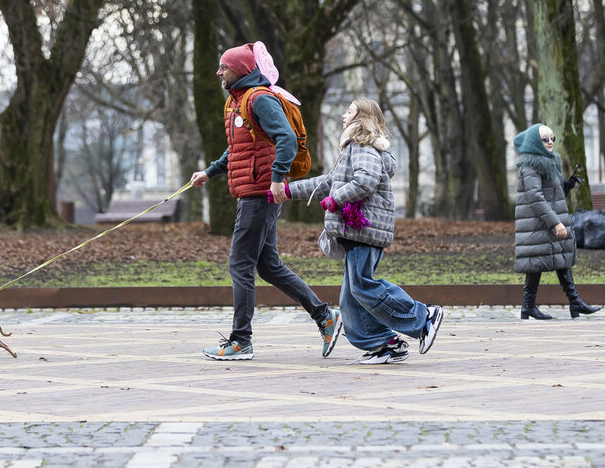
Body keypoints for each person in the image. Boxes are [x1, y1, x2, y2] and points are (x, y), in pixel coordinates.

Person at [190, 42, 342, 361]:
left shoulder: (259, 99)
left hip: (261, 192)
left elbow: (285, 137)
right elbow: (237, 149)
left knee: (240, 263)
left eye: (224, 67)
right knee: (268, 266)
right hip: (254, 190)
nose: (219, 72)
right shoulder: (236, 103)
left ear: (241, 70)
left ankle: (240, 340)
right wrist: (209, 172)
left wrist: (276, 178)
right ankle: (324, 316)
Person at [278, 98, 443, 364]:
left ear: (362, 118)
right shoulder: (354, 148)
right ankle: (384, 344)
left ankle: (423, 317)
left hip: (364, 231)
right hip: (358, 232)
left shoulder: (361, 145)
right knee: (351, 298)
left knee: (363, 286)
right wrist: (288, 191)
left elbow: (365, 180)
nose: (344, 115)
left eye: (350, 111)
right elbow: (327, 182)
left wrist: (337, 199)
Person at [513, 123, 600, 319]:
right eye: (545, 139)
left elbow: (552, 194)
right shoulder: (530, 164)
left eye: (552, 138)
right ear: (536, 141)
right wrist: (555, 222)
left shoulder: (551, 161)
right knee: (536, 262)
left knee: (560, 259)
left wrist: (566, 187)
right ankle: (530, 306)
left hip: (548, 219)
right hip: (538, 223)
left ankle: (574, 303)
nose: (550, 142)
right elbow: (535, 197)